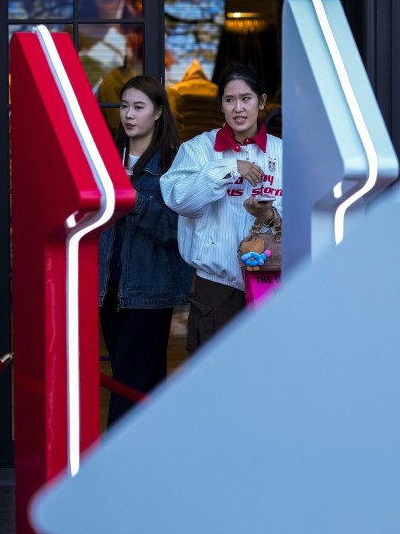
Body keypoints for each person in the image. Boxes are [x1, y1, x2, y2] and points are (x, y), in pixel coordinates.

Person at [161, 63, 283, 353]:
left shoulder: (283, 152)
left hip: (272, 284)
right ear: (221, 106)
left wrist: (269, 215)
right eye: (230, 100)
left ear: (261, 102)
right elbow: (179, 200)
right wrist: (229, 167)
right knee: (212, 388)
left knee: (265, 377)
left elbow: (304, 216)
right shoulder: (198, 149)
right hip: (215, 289)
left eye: (246, 98)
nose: (238, 108)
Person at [98, 75, 193, 427]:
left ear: (157, 113)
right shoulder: (105, 157)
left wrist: (135, 201)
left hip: (151, 292)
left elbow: (176, 231)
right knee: (142, 382)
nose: (129, 115)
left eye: (139, 107)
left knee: (130, 384)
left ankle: (116, 466)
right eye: (124, 106)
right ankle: (153, 455)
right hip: (108, 289)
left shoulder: (173, 164)